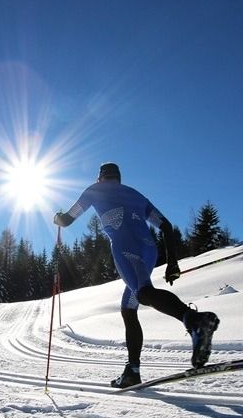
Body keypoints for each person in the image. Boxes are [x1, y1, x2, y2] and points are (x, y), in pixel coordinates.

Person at [54, 162, 219, 388]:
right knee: (128, 308)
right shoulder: (136, 195)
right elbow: (167, 226)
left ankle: (194, 320)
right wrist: (172, 263)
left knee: (142, 293)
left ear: (100, 177)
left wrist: (57, 218)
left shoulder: (94, 190)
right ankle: (132, 370)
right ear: (118, 178)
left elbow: (67, 219)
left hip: (125, 247)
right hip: (148, 249)